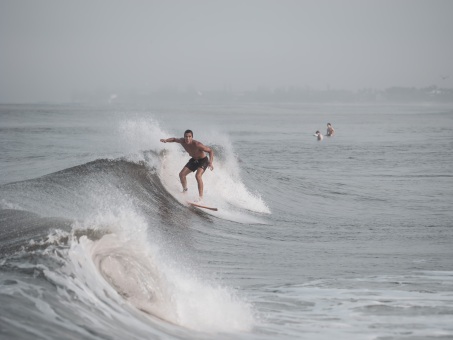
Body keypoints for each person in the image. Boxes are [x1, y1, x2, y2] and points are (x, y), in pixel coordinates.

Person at [160, 130, 214, 201]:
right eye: (186, 136)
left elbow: (210, 151)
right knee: (182, 174)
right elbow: (174, 139)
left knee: (198, 176)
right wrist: (166, 140)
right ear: (184, 137)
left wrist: (210, 162)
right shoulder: (182, 141)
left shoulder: (197, 144)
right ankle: (185, 191)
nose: (187, 138)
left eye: (189, 137)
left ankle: (201, 198)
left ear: (192, 137)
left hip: (203, 160)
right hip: (194, 160)